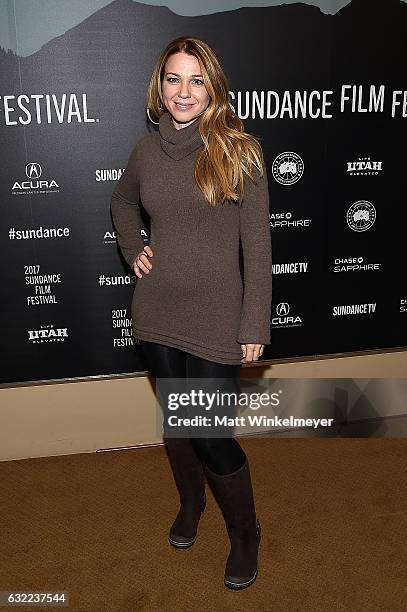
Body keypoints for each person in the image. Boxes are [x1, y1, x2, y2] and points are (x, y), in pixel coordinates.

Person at [110, 36, 272, 590]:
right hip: (157, 310)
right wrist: (134, 249)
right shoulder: (145, 149)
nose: (184, 92)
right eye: (174, 79)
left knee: (208, 432)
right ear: (160, 85)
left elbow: (259, 247)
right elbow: (122, 201)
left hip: (218, 316)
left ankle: (246, 531)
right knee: (180, 422)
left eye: (196, 80)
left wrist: (254, 324)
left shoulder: (238, 150)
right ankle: (190, 505)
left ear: (213, 87)